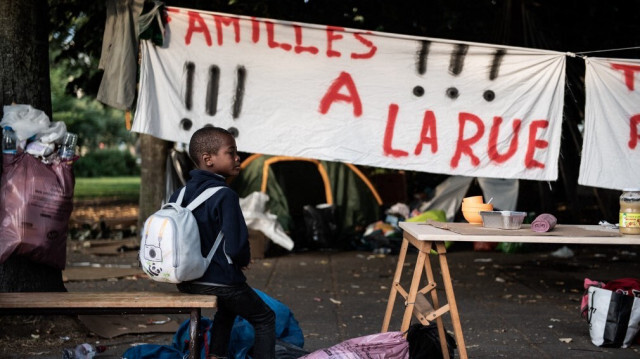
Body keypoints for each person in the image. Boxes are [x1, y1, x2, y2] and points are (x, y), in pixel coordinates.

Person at [173, 126, 276, 359]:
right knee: (265, 318)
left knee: (227, 312)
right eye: (231, 152)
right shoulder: (224, 194)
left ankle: (216, 355)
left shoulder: (178, 195)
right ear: (208, 159)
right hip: (220, 281)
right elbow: (236, 245)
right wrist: (242, 260)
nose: (238, 157)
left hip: (187, 280)